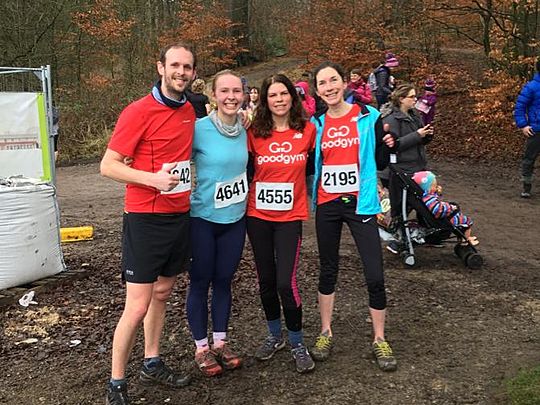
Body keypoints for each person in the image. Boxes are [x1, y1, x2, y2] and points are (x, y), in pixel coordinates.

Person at [100, 41, 196, 405]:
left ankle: (152, 361)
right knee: (137, 304)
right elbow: (108, 165)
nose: (181, 72)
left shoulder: (192, 108)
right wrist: (151, 179)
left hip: (178, 217)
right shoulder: (138, 111)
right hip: (144, 218)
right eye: (175, 65)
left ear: (193, 73)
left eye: (187, 67)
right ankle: (116, 382)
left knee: (162, 294)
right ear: (161, 67)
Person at [309, 61, 397, 372]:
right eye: (323, 83)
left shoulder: (368, 116)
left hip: (361, 203)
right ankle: (325, 332)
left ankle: (379, 338)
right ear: (317, 90)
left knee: (374, 272)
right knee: (328, 268)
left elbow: (382, 158)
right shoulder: (315, 123)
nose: (329, 87)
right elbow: (309, 163)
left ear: (345, 83)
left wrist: (389, 142)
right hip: (328, 204)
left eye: (334, 80)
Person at [247, 73, 316, 374]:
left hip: (290, 218)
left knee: (285, 283)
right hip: (258, 217)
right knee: (265, 282)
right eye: (272, 95)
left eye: (283, 94)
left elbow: (316, 170)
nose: (278, 100)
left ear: (292, 97)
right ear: (265, 100)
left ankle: (297, 342)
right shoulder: (254, 133)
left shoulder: (309, 131)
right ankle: (274, 335)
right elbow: (244, 171)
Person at [187, 69, 248, 377]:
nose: (230, 97)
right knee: (200, 281)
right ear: (213, 94)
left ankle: (221, 343)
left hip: (235, 220)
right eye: (224, 91)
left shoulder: (247, 127)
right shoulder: (198, 129)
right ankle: (201, 348)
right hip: (202, 220)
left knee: (224, 280)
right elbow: (174, 160)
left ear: (244, 94)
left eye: (236, 91)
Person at [381, 83, 434, 254]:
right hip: (400, 170)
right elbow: (394, 146)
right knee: (402, 206)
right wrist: (417, 135)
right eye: (412, 97)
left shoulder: (414, 115)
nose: (415, 100)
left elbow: (418, 140)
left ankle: (426, 232)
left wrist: (426, 136)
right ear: (402, 99)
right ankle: (398, 237)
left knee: (422, 200)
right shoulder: (391, 119)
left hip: (416, 166)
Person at [412, 171, 478, 245]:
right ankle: (465, 240)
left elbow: (433, 203)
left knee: (458, 215)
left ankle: (463, 236)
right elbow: (438, 210)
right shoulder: (429, 199)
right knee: (467, 221)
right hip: (441, 220)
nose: (436, 186)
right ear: (428, 188)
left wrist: (436, 192)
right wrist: (450, 207)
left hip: (434, 219)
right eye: (434, 185)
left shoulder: (425, 197)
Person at [514, 60, 540, 198]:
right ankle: (527, 186)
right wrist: (523, 125)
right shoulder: (531, 87)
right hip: (535, 129)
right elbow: (519, 107)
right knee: (529, 159)